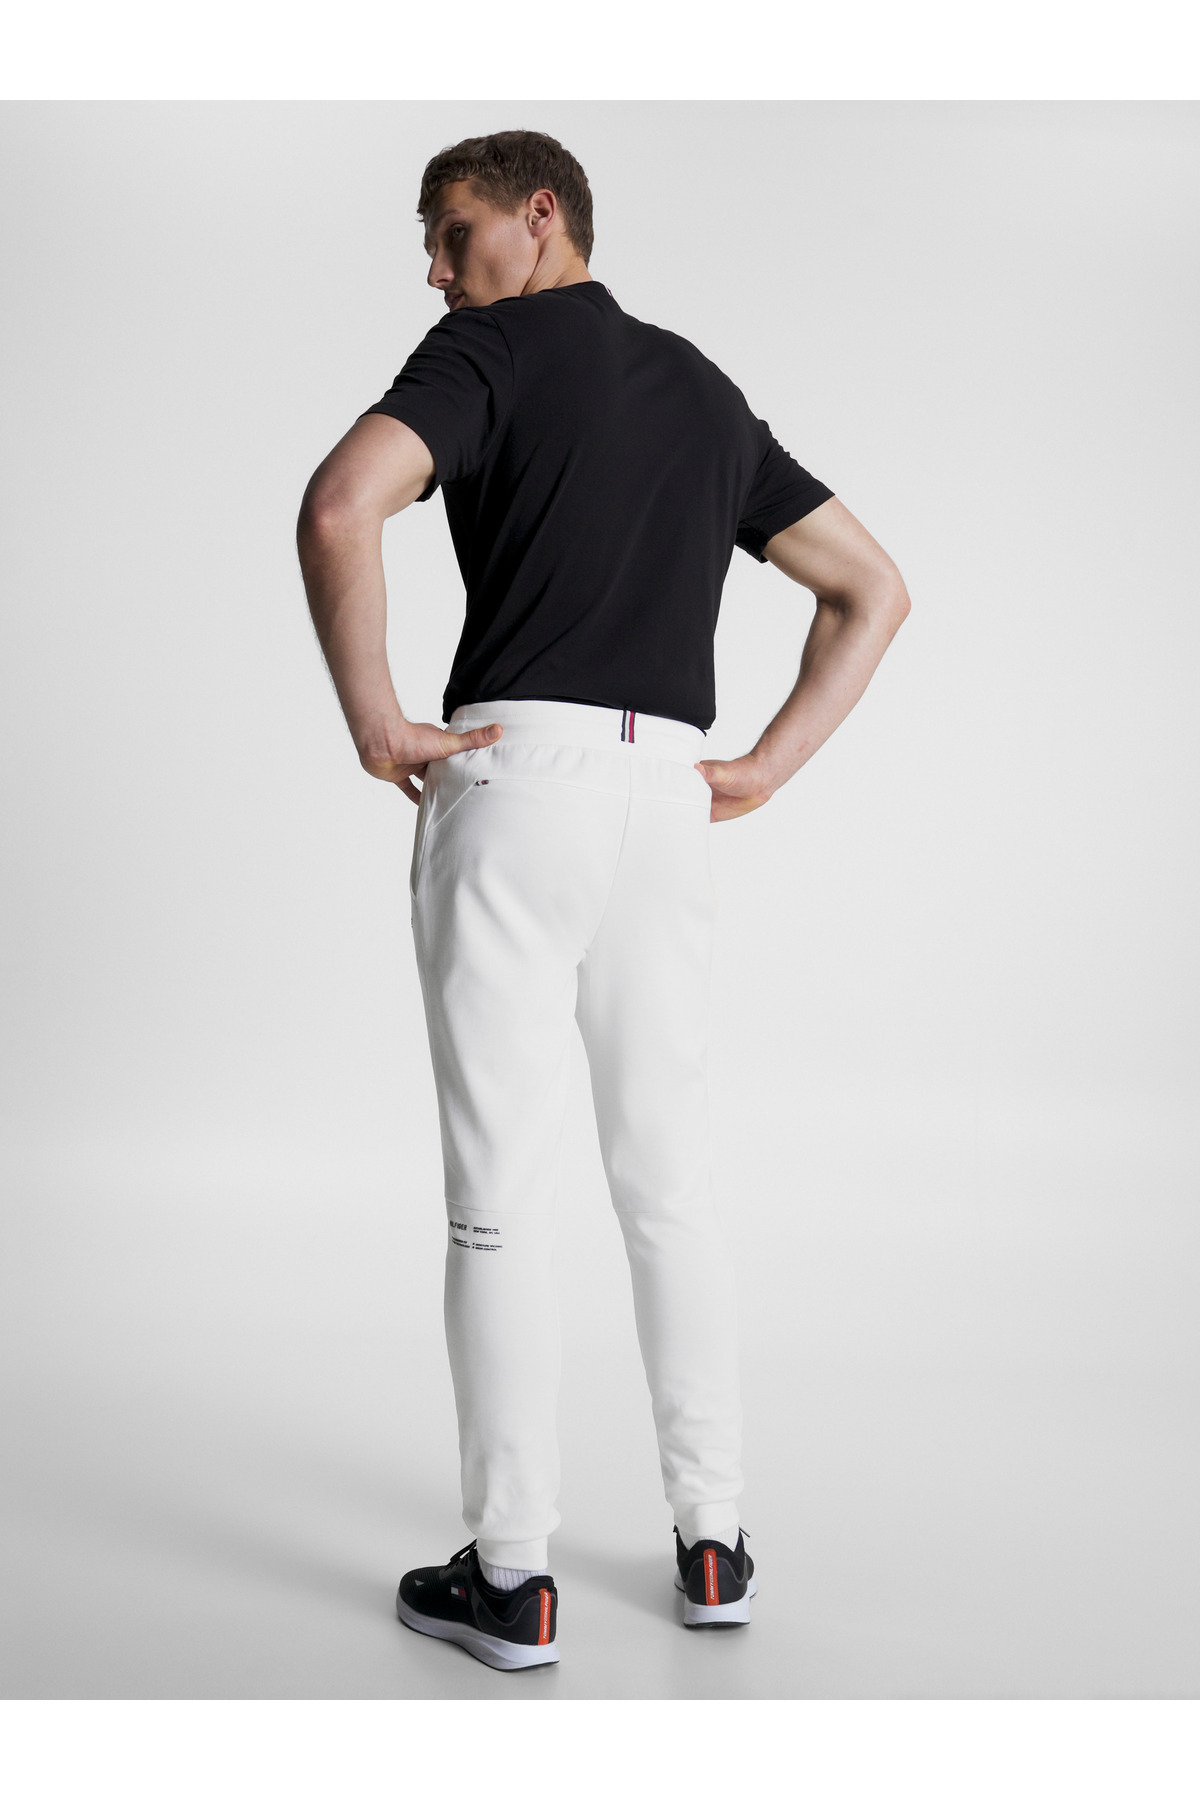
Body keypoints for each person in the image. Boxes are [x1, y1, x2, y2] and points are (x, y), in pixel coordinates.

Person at [296, 129, 910, 1673]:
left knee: (500, 1197)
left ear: (539, 215)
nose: (435, 270)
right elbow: (873, 586)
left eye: (450, 234)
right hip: (664, 801)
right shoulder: (701, 388)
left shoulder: (488, 352)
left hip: (516, 778)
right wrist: (763, 766)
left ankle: (513, 1576)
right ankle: (714, 1543)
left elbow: (341, 504)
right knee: (669, 1183)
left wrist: (376, 721)